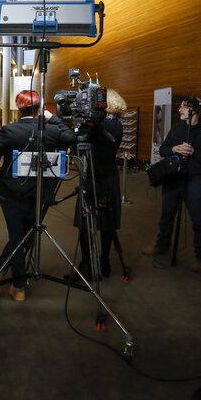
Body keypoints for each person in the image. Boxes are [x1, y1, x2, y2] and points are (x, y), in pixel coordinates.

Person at [0, 91, 76, 301]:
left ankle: (9, 277)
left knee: (18, 236)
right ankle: (16, 284)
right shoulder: (50, 131)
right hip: (38, 195)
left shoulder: (9, 130)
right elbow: (72, 137)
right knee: (23, 236)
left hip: (11, 194)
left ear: (19, 109)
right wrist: (52, 118)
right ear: (39, 109)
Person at [143, 98, 201, 272]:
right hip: (173, 179)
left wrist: (194, 152)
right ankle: (161, 245)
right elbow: (163, 149)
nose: (179, 110)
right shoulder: (177, 129)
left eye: (183, 107)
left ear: (193, 110)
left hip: (195, 180)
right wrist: (174, 149)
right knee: (166, 216)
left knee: (199, 219)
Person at [72, 89, 125, 280]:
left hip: (97, 177)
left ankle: (90, 266)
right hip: (107, 177)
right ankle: (103, 263)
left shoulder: (106, 126)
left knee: (89, 224)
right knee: (106, 224)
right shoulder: (114, 124)